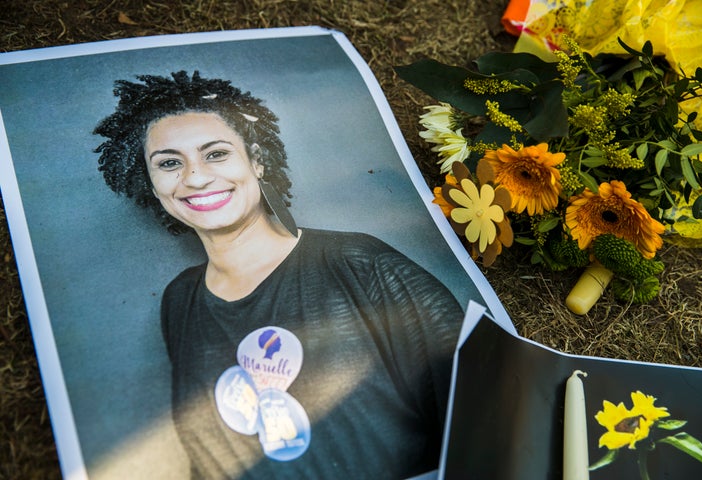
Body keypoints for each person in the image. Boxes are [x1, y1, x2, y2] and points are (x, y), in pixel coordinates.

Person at [94, 70, 465, 479]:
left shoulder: (360, 264)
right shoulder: (179, 301)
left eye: (216, 153)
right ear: (150, 182)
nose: (195, 177)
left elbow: (481, 413)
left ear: (256, 160)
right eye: (168, 163)